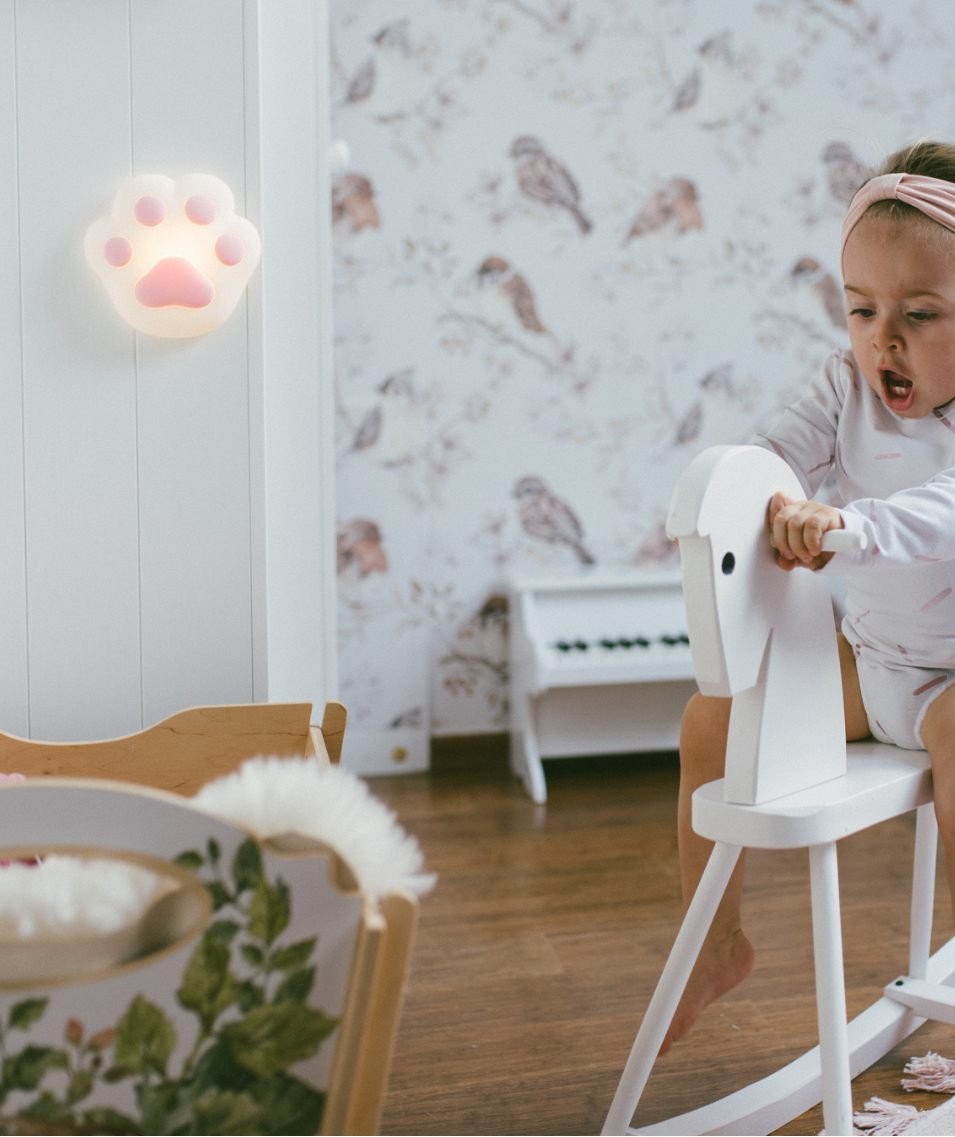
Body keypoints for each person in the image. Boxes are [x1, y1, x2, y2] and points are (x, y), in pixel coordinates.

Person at [665, 139, 955, 1053]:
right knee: (709, 723)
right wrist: (767, 502)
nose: (883, 338)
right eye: (860, 308)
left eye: (919, 312)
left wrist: (849, 525)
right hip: (872, 665)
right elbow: (767, 459)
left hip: (951, 678)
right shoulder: (843, 387)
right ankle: (713, 942)